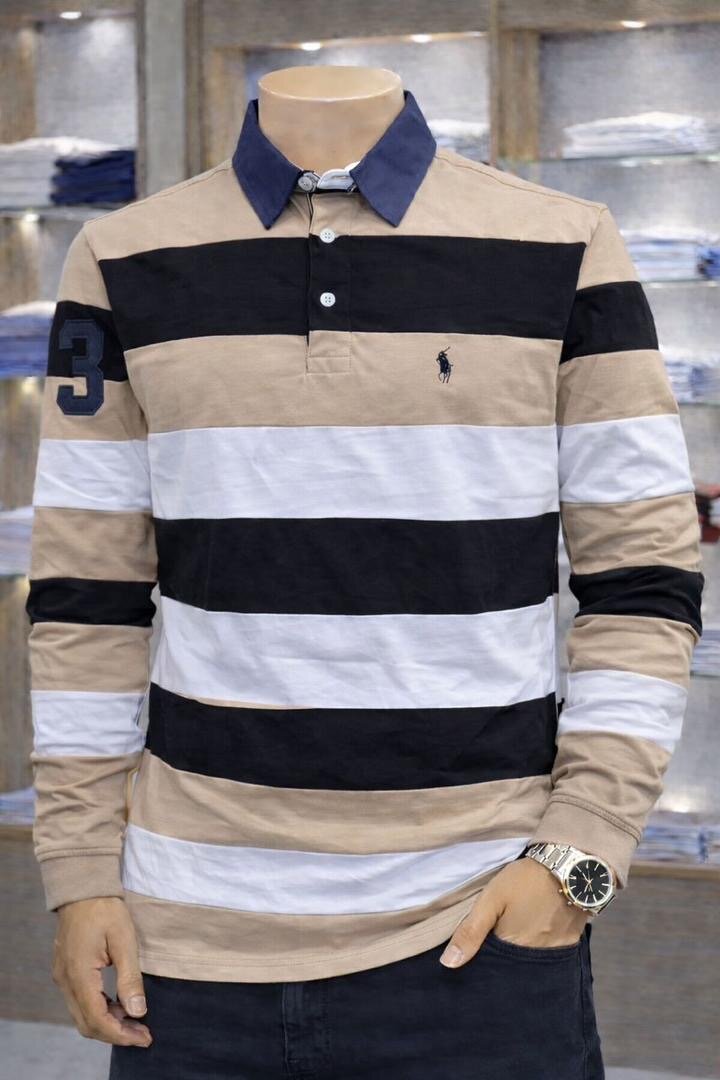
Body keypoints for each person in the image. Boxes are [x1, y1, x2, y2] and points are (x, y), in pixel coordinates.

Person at [25, 74, 703, 1079]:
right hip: (188, 951)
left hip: (482, 936)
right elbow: (87, 601)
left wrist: (580, 861)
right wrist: (80, 872)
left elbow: (644, 582)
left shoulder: (565, 242)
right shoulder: (123, 257)